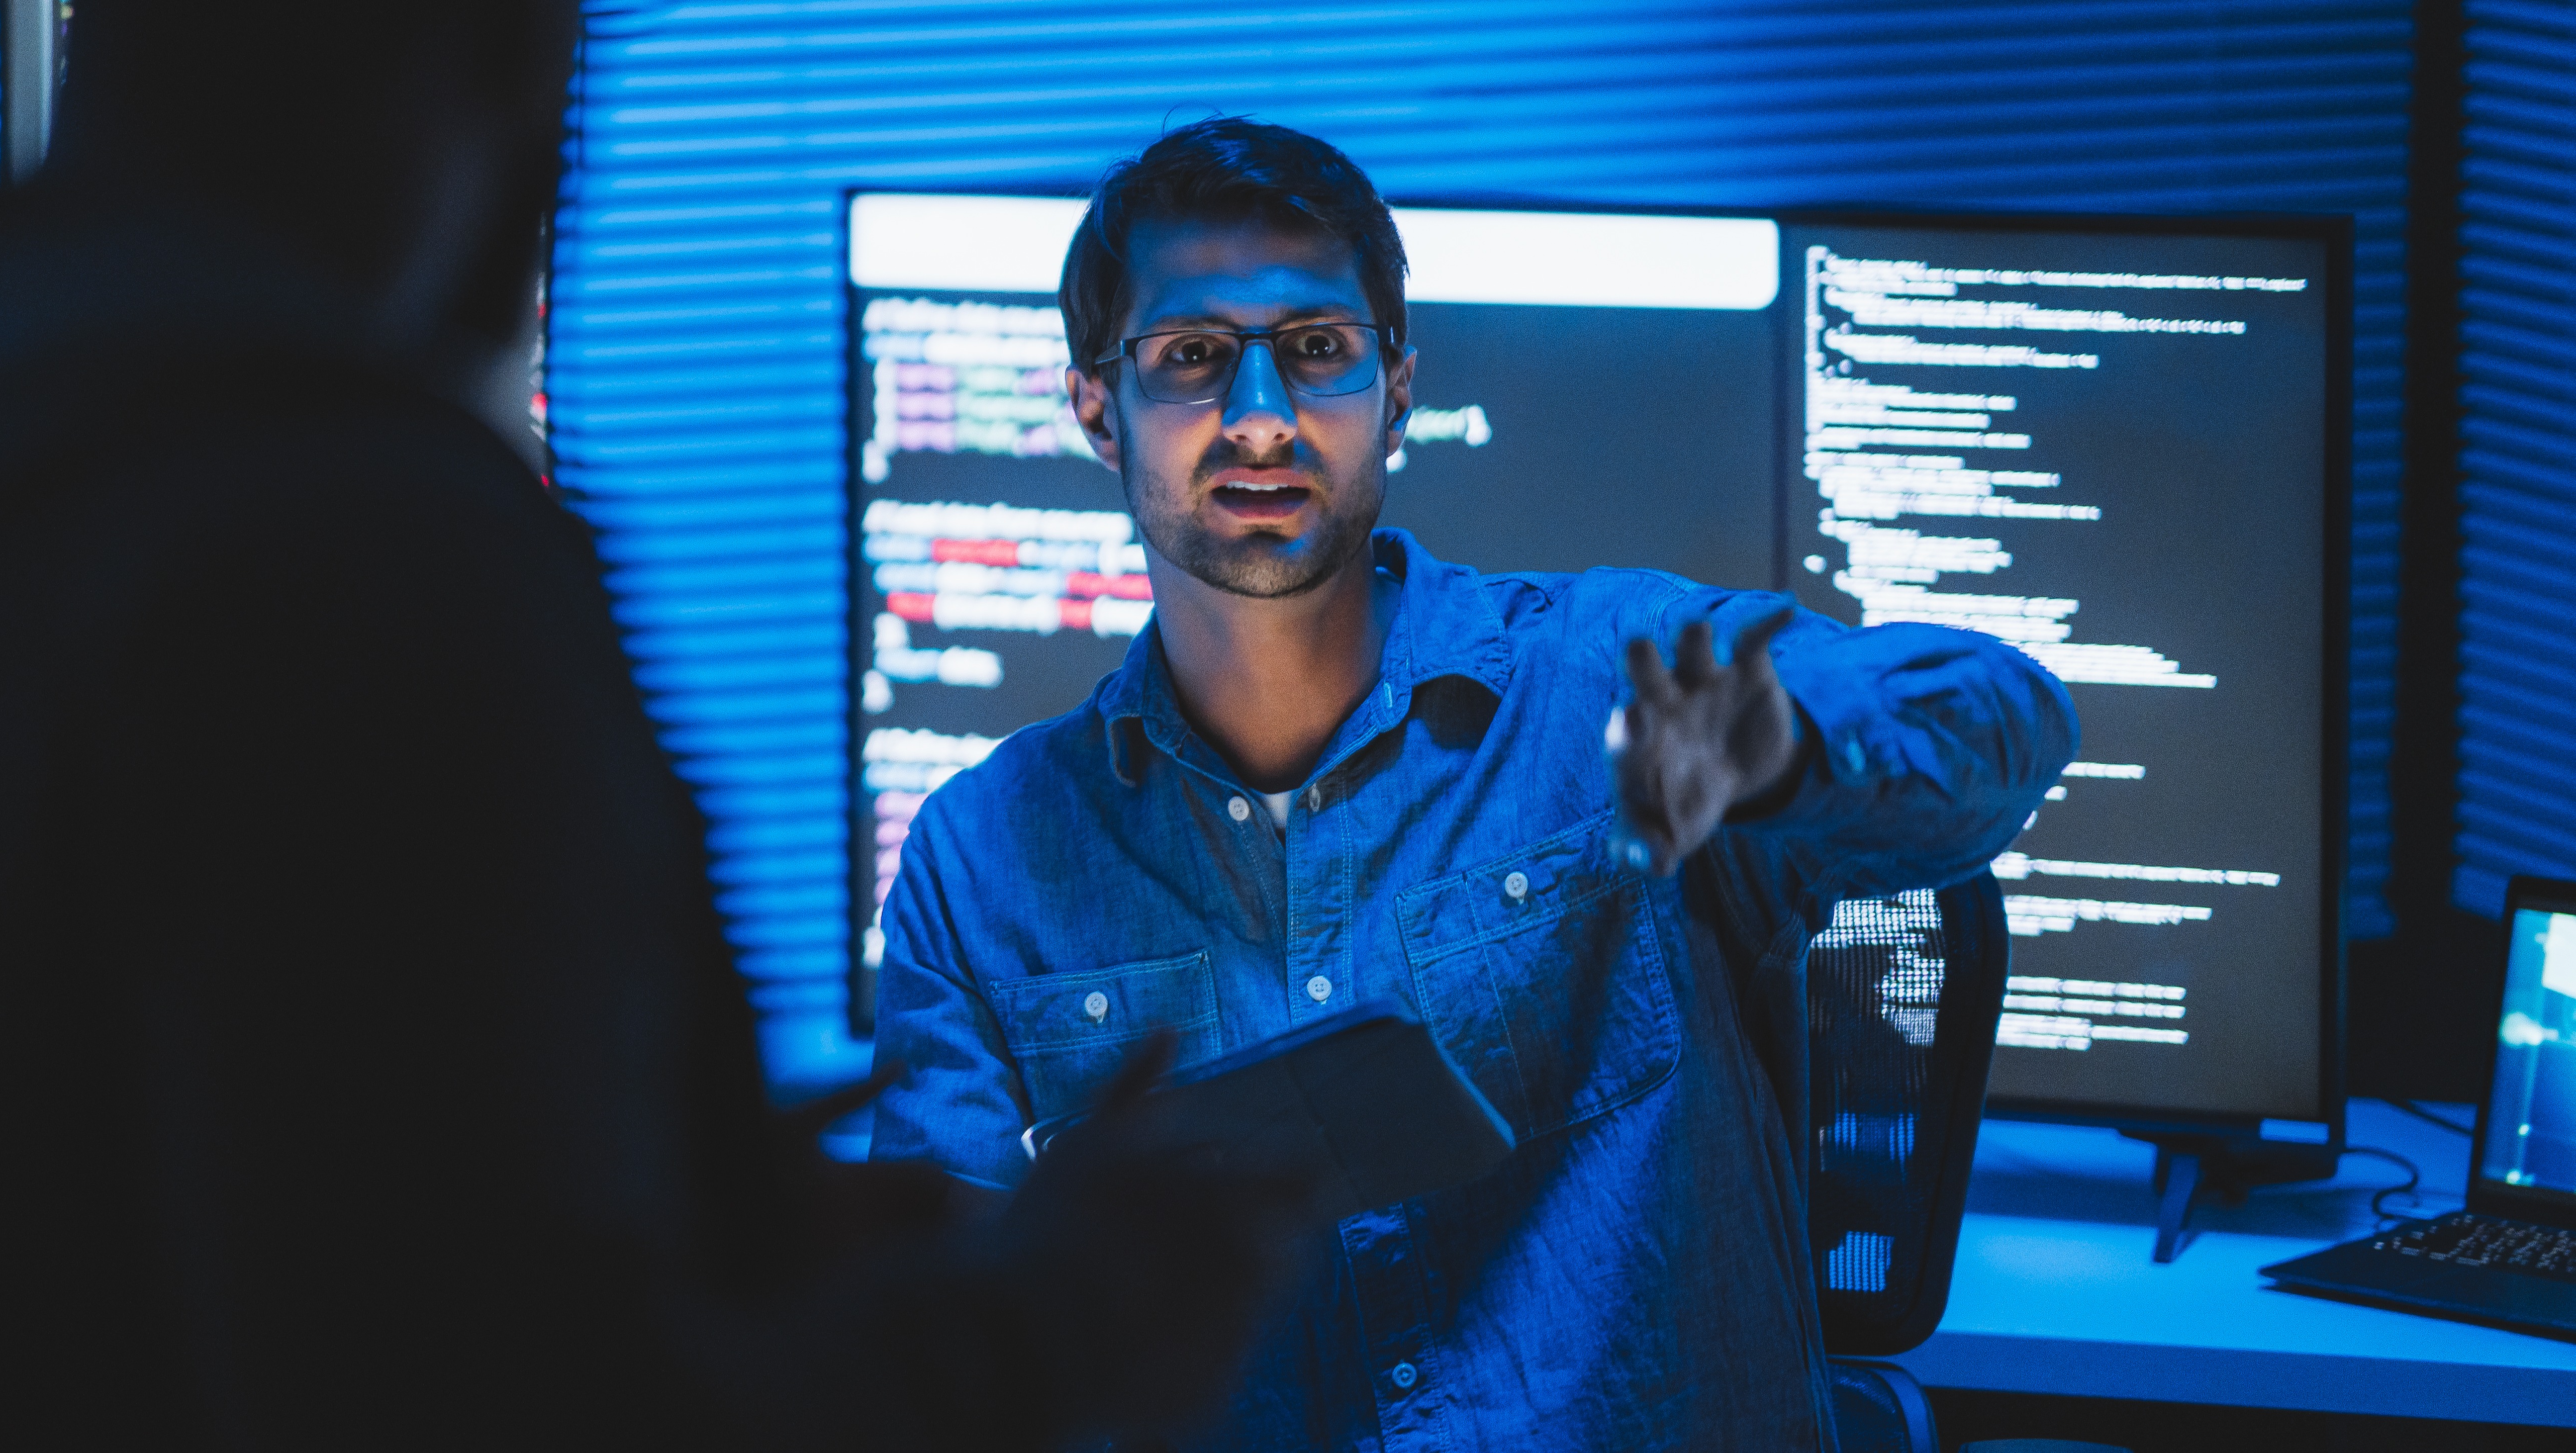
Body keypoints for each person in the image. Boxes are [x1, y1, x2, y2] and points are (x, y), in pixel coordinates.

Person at [0, 8, 1305, 1450]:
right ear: (493, 68)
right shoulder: (344, 562)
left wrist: (671, 1198)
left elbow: (49, 1213)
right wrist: (1075, 1312)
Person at [868, 118, 2079, 1452]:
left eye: (1318, 351)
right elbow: (945, 1362)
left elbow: (2005, 723)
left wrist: (1783, 751)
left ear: (1396, 384)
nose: (1262, 416)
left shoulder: (1610, 682)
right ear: (1099, 405)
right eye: (1193, 357)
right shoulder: (982, 862)